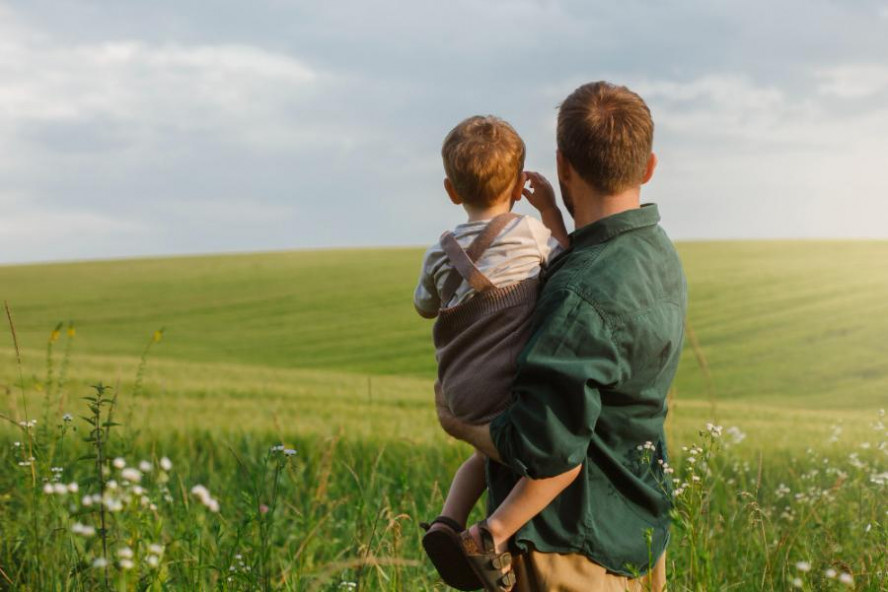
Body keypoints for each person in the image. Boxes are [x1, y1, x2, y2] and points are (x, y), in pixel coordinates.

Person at [436, 81, 687, 592]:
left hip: (569, 550)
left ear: (563, 166)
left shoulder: (577, 293)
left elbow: (543, 449)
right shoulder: (658, 254)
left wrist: (459, 424)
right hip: (636, 533)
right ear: (649, 167)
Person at [414, 115, 587, 591]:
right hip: (506, 388)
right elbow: (567, 256)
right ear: (517, 187)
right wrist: (550, 209)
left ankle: (446, 523)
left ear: (451, 190)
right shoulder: (529, 234)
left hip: (459, 391)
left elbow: (424, 306)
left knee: (484, 459)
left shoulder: (439, 251)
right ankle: (493, 533)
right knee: (561, 463)